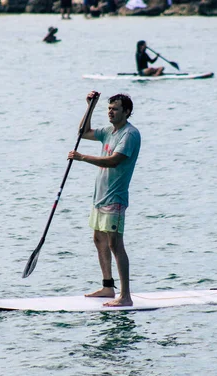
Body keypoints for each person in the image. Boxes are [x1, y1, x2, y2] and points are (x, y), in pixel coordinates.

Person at [67, 91, 141, 307]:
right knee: (99, 239)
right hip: (100, 197)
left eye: (115, 109)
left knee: (115, 244)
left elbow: (114, 161)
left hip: (115, 197)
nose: (110, 112)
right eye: (109, 108)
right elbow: (83, 132)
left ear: (126, 112)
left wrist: (82, 158)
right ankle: (108, 287)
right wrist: (90, 106)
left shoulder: (129, 134)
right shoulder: (108, 131)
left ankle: (125, 296)